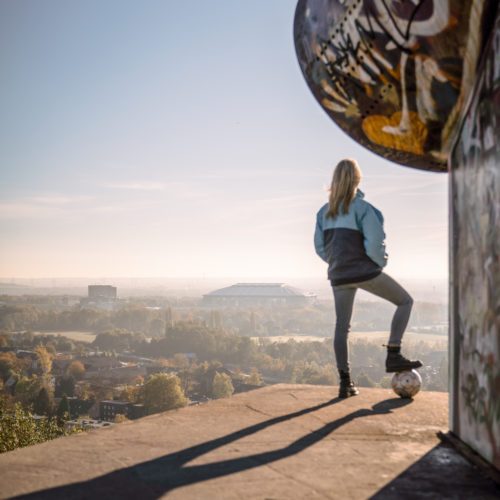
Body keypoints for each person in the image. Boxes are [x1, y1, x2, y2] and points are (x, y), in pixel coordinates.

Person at [314, 158, 422, 398]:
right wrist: (380, 262)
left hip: (339, 275)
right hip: (364, 271)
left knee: (341, 327)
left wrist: (337, 263)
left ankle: (345, 383)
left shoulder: (324, 212)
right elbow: (374, 243)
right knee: (405, 301)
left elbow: (320, 248)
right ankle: (394, 353)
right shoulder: (364, 209)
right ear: (357, 180)